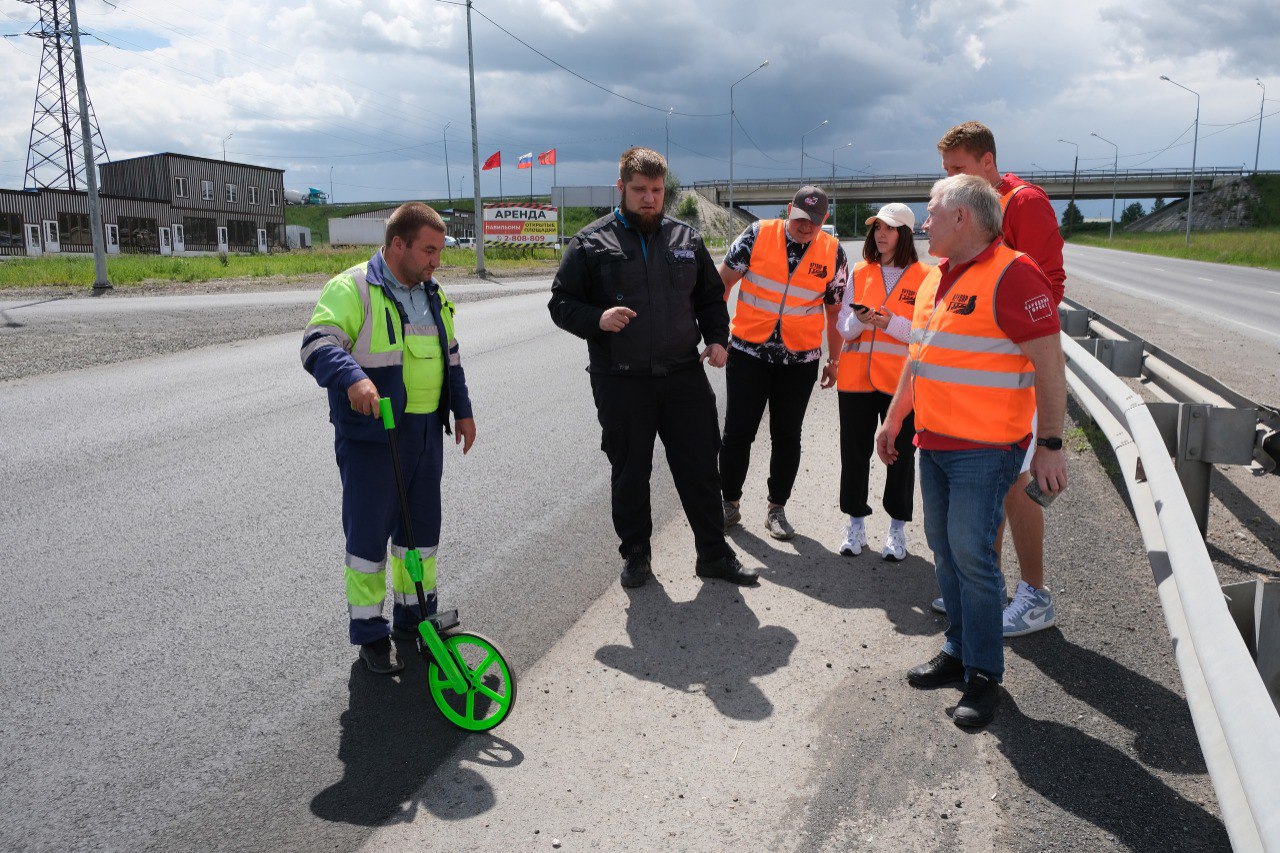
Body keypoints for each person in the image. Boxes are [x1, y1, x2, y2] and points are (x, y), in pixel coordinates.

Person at [876, 174, 1068, 727]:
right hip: (933, 442)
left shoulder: (1013, 274)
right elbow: (918, 358)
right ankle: (958, 650)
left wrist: (1050, 446)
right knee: (944, 546)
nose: (925, 220)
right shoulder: (938, 278)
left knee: (973, 555)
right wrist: (893, 421)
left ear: (962, 217)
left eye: (932, 211)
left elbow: (1050, 366)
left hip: (986, 449)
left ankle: (984, 675)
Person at [548, 146, 756, 588]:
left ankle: (713, 554)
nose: (649, 198)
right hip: (620, 380)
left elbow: (709, 297)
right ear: (621, 188)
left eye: (657, 190)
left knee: (701, 465)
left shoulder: (686, 239)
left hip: (683, 374)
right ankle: (637, 556)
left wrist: (718, 339)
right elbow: (561, 303)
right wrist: (597, 320)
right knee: (630, 471)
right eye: (639, 189)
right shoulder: (590, 242)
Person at [301, 202, 477, 675]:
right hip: (373, 438)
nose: (436, 260)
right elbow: (318, 343)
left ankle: (416, 617)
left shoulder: (434, 294)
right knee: (368, 539)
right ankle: (371, 635)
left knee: (420, 535)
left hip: (425, 433)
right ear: (397, 244)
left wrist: (463, 410)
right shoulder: (353, 287)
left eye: (439, 251)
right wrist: (354, 379)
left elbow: (450, 357)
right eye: (428, 250)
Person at [933, 121, 1066, 636]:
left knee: (1016, 477)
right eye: (945, 172)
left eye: (959, 169)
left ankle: (1034, 596)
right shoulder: (976, 207)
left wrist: (1013, 334)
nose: (950, 180)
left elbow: (1047, 283)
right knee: (986, 472)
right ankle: (980, 582)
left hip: (1019, 360)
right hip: (986, 364)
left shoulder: (1023, 203)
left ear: (988, 163)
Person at [718, 186, 848, 541]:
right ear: (788, 210)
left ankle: (777, 509)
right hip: (748, 353)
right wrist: (715, 336)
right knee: (737, 432)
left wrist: (834, 360)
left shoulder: (833, 251)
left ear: (824, 220)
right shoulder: (758, 234)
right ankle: (728, 503)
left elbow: (835, 311)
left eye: (815, 221)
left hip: (800, 359)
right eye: (801, 219)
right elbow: (723, 283)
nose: (806, 227)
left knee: (786, 435)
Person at [834, 203, 936, 561]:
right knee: (854, 455)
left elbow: (926, 335)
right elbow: (843, 327)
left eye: (889, 229)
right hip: (856, 381)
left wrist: (887, 322)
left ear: (905, 233)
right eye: (877, 227)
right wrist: (862, 321)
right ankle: (856, 526)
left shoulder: (926, 277)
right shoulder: (860, 271)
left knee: (900, 456)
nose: (880, 234)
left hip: (901, 386)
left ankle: (896, 531)